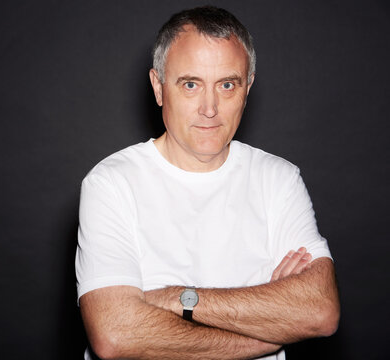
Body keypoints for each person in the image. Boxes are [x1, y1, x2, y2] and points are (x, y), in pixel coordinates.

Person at [75, 5, 340, 360]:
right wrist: (266, 334)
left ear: (247, 89)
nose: (210, 108)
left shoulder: (279, 179)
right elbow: (117, 335)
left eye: (227, 84)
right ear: (159, 87)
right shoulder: (111, 183)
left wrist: (175, 298)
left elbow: (319, 311)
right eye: (190, 84)